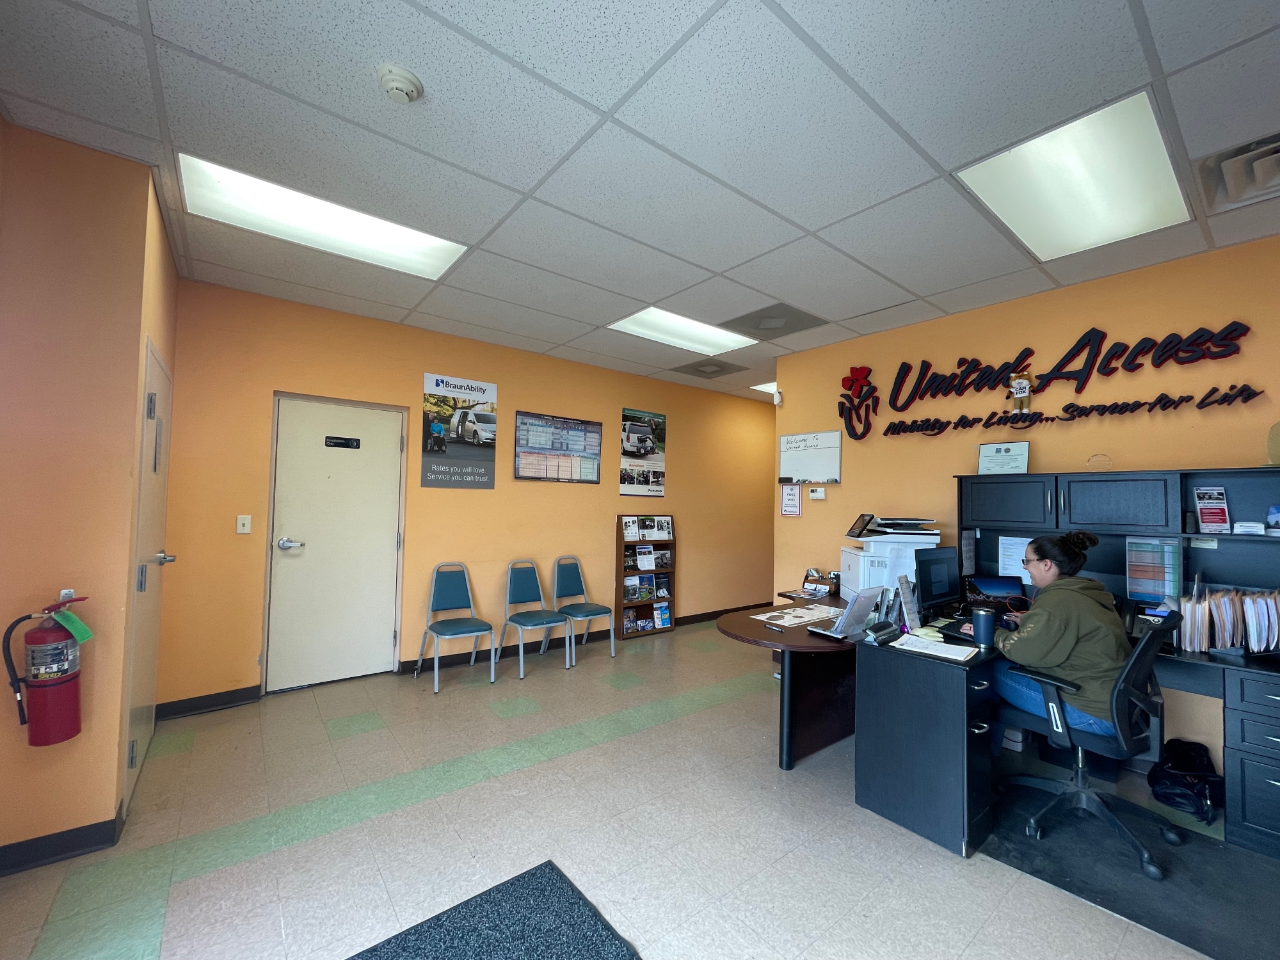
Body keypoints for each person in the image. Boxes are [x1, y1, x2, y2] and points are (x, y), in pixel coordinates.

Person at [962, 531, 1129, 736]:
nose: (1025, 566)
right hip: (1114, 703)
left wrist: (990, 632)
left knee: (983, 671)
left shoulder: (1057, 601)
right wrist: (1031, 621)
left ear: (1046, 564)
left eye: (1027, 561)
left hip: (1090, 712)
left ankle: (982, 759)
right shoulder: (1084, 592)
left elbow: (1022, 652)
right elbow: (1068, 624)